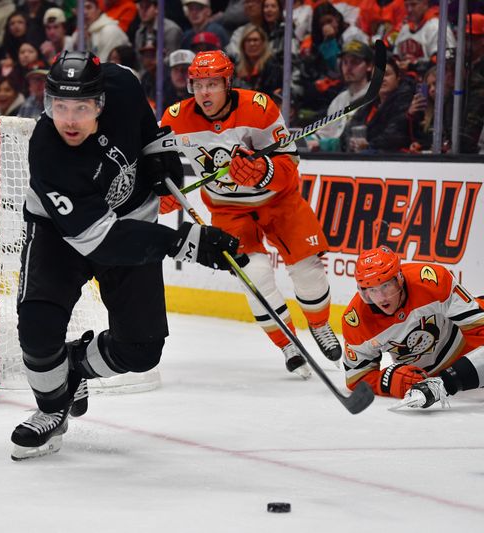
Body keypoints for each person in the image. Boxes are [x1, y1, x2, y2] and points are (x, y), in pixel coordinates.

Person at [10, 51, 246, 460]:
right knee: (36, 326)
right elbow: (101, 240)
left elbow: (146, 129)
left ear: (100, 101)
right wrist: (185, 241)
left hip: (132, 217)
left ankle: (76, 364)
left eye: (80, 108)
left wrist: (158, 155)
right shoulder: (48, 153)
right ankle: (52, 410)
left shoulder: (122, 83)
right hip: (62, 235)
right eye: (58, 107)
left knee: (141, 350)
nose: (68, 120)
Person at [160, 50, 343, 378]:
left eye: (212, 84)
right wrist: (161, 189)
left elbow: (290, 165)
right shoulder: (175, 118)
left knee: (307, 270)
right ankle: (287, 343)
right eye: (198, 85)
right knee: (253, 276)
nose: (204, 93)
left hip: (279, 200)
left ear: (227, 83)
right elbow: (155, 161)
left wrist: (264, 170)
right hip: (229, 209)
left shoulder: (259, 108)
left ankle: (319, 325)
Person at [342, 246, 484, 409]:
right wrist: (390, 381)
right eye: (372, 290)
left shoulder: (432, 281)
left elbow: (479, 328)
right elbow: (356, 377)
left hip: (470, 349)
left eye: (385, 286)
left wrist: (465, 371)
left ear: (399, 278)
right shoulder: (356, 321)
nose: (381, 298)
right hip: (429, 377)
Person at [343, 55, 413, 153]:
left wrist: (369, 145)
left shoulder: (405, 100)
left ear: (398, 78)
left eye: (387, 74)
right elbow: (350, 129)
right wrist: (351, 141)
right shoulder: (368, 104)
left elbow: (395, 135)